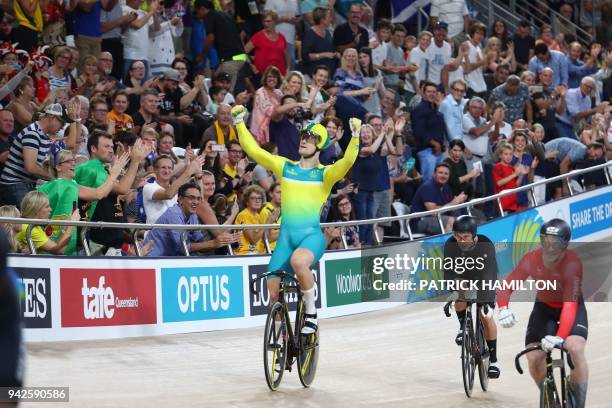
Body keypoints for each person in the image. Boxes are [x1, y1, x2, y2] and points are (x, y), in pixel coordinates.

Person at [231, 104, 361, 334]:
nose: (304, 140)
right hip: (285, 240)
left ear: (319, 145)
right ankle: (281, 337)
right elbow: (254, 151)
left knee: (299, 262)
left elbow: (348, 161)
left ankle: (310, 313)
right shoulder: (285, 167)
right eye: (303, 136)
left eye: (310, 138)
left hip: (311, 238)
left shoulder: (324, 174)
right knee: (272, 292)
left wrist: (355, 137)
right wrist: (239, 123)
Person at [498, 219, 588, 408]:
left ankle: (579, 402)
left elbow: (570, 306)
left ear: (565, 244)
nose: (549, 247)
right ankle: (550, 397)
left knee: (575, 348)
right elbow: (507, 286)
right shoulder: (531, 259)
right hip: (544, 309)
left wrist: (560, 337)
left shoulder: (572, 264)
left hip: (570, 307)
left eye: (555, 242)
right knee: (534, 357)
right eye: (545, 240)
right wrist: (503, 307)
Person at [38, 149, 128, 255]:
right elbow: (99, 194)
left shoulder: (47, 186)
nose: (74, 164)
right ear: (58, 167)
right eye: (69, 161)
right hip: (65, 246)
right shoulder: (66, 184)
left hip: (53, 243)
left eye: (74, 160)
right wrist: (113, 174)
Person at [444, 215, 500, 378]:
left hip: (485, 276)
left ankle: (494, 361)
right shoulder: (450, 244)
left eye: (465, 237)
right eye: (458, 237)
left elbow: (489, 274)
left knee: (485, 314)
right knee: (459, 294)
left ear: (474, 235)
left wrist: (486, 300)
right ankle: (463, 327)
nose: (461, 241)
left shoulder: (485, 244)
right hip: (463, 277)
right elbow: (448, 272)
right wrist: (452, 292)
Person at [0, 103, 65, 206]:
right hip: (13, 184)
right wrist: (53, 178)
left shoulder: (43, 134)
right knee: (31, 215)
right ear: (52, 118)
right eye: (61, 123)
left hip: (26, 184)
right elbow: (31, 167)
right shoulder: (32, 133)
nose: (62, 128)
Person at [144, 182, 234, 256]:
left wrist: (222, 241)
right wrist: (213, 243)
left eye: (198, 199)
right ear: (180, 199)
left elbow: (200, 242)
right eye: (191, 198)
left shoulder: (193, 215)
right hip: (152, 261)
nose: (195, 202)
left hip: (169, 261)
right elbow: (182, 248)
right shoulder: (173, 214)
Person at [142, 154, 205, 224]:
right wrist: (189, 171)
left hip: (176, 230)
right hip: (156, 232)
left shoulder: (176, 188)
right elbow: (168, 194)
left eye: (169, 168)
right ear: (155, 170)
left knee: (193, 216)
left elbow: (200, 200)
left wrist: (198, 175)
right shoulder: (148, 187)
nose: (167, 171)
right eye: (163, 167)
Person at [16, 190, 80, 254]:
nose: (50, 209)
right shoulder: (31, 229)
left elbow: (56, 246)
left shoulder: (29, 225)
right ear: (36, 210)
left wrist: (67, 226)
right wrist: (72, 225)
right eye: (47, 207)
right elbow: (59, 250)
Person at [409, 162, 466, 234]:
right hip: (420, 221)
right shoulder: (427, 187)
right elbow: (433, 212)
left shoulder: (447, 188)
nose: (443, 176)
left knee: (463, 221)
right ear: (434, 174)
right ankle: (448, 244)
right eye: (440, 173)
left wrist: (458, 203)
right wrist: (453, 203)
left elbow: (450, 210)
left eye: (446, 174)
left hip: (439, 218)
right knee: (451, 221)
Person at [244, 11, 289, 77]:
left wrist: (288, 69)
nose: (265, 24)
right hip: (263, 76)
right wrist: (252, 66)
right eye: (264, 21)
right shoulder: (258, 36)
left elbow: (287, 56)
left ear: (275, 22)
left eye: (268, 21)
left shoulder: (282, 37)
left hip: (279, 75)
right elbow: (243, 52)